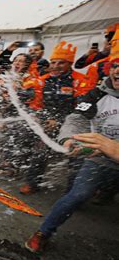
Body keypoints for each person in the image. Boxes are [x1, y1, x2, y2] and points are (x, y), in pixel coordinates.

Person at [25, 58, 119, 253]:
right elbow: (75, 120)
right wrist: (68, 139)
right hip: (99, 160)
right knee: (78, 194)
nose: (118, 71)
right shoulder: (96, 95)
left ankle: (106, 195)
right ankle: (43, 232)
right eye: (116, 66)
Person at [19, 41, 94, 195]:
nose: (55, 66)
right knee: (39, 152)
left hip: (74, 125)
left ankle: (73, 191)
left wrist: (59, 120)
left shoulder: (80, 80)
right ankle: (32, 183)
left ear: (70, 64)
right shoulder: (43, 80)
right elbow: (36, 104)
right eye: (53, 62)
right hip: (48, 122)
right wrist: (41, 118)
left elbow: (82, 108)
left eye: (61, 63)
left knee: (76, 157)